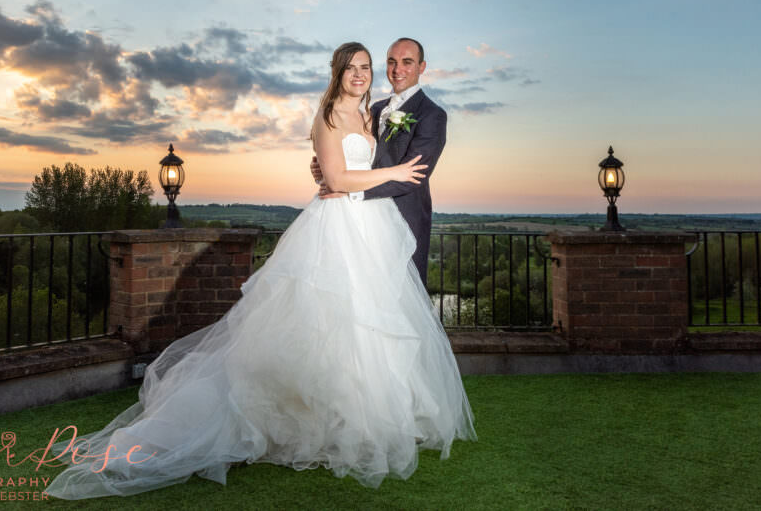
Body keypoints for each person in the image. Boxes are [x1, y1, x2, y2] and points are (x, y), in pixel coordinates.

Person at [45, 42, 475, 500]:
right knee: (327, 318)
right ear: (340, 72)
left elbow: (404, 172)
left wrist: (339, 180)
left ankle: (374, 413)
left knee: (374, 321)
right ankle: (315, 417)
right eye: (365, 66)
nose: (373, 73)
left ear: (420, 67)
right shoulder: (345, 113)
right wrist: (333, 179)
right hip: (339, 226)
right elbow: (345, 171)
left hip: (381, 229)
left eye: (376, 66)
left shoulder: (394, 114)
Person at [312, 37, 446, 287]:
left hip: (403, 217)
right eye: (392, 62)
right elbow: (357, 156)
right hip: (361, 220)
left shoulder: (432, 115)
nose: (398, 70)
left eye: (407, 62)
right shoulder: (375, 109)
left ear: (422, 67)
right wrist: (323, 167)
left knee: (400, 296)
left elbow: (411, 177)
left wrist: (350, 192)